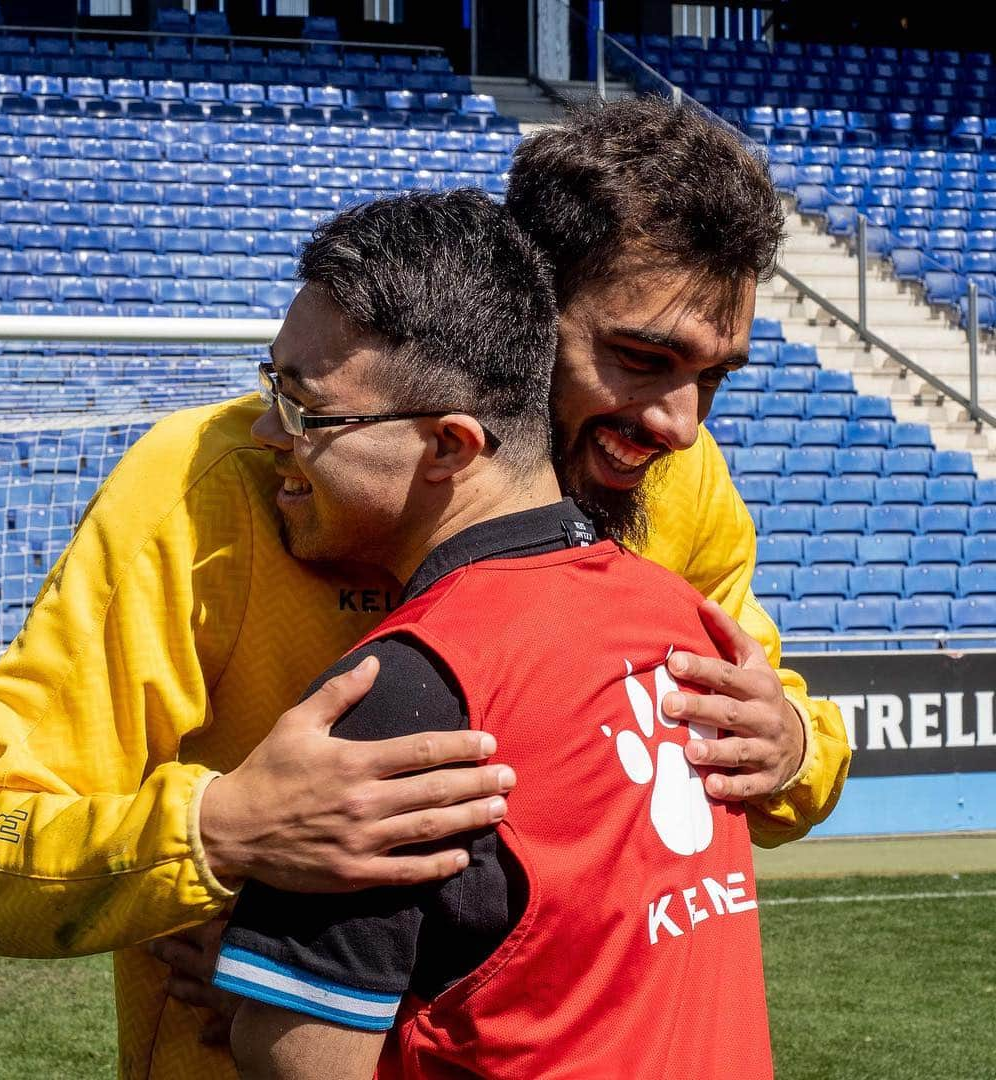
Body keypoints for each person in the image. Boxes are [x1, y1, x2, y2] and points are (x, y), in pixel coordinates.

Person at [0, 96, 848, 1079]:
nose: (680, 424)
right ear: (519, 302)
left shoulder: (680, 490)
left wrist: (789, 749)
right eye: (640, 359)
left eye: (715, 378)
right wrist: (217, 834)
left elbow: (779, 739)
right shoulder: (209, 488)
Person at [217, 189, 772, 1080]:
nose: (262, 433)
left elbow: (298, 1062)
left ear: (448, 446)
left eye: (305, 409)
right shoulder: (682, 620)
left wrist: (249, 984)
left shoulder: (400, 695)